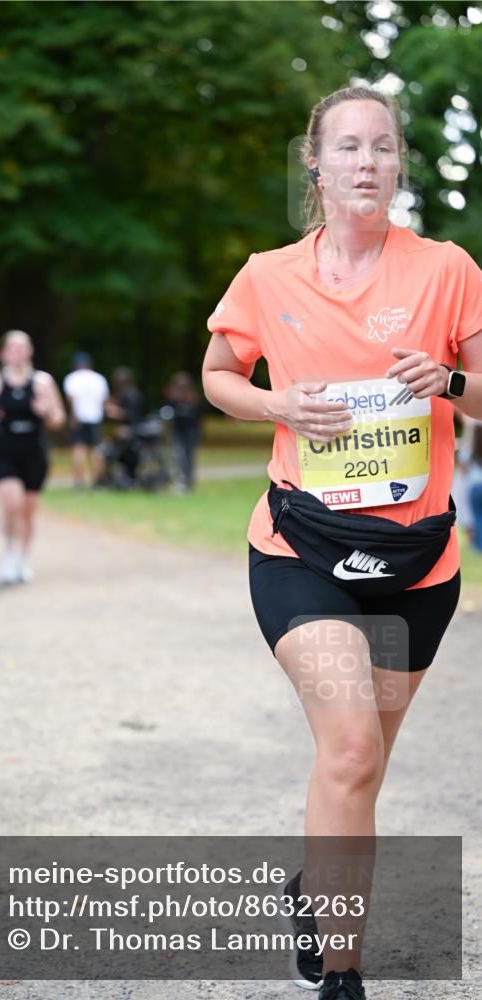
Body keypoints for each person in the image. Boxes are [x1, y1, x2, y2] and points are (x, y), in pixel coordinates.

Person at [202, 85, 482, 999]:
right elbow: (217, 375)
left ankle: (308, 890)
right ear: (313, 166)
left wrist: (445, 379)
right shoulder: (264, 275)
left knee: (357, 768)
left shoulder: (447, 269)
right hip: (302, 550)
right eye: (348, 147)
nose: (367, 162)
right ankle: (341, 973)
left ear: (400, 164)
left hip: (416, 565)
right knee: (353, 751)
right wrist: (276, 402)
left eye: (384, 147)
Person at [0, 329, 66, 584]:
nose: (17, 352)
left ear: (30, 352)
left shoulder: (43, 382)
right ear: (3, 353)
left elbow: (59, 419)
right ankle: (9, 552)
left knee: (28, 511)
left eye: (22, 347)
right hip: (4, 453)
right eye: (12, 347)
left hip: (33, 453)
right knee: (12, 503)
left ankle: (22, 557)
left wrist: (46, 410)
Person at [62, 352, 109, 488]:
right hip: (95, 417)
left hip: (79, 417)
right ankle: (97, 481)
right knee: (96, 449)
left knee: (78, 449)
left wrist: (73, 415)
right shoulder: (99, 378)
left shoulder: (72, 378)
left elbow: (71, 399)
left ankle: (79, 481)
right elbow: (104, 400)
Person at [104, 366, 143, 484]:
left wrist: (112, 411)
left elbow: (128, 414)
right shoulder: (132, 393)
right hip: (133, 429)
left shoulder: (128, 394)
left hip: (131, 429)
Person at [164, 371, 201, 491]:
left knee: (189, 457)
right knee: (177, 455)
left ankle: (188, 481)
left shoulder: (192, 399)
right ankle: (180, 479)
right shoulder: (174, 398)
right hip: (177, 431)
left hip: (190, 432)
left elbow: (197, 418)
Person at [457, 415, 482, 551]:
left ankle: (479, 547)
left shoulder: (473, 434)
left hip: (475, 484)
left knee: (477, 516)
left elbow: (463, 460)